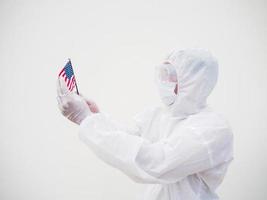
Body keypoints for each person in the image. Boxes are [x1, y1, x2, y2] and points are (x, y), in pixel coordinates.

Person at [56, 48, 233, 200]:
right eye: (163, 74)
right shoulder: (158, 115)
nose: (165, 82)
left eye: (171, 76)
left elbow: (156, 163)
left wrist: (87, 120)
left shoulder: (213, 129)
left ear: (195, 82)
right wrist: (95, 116)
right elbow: (127, 140)